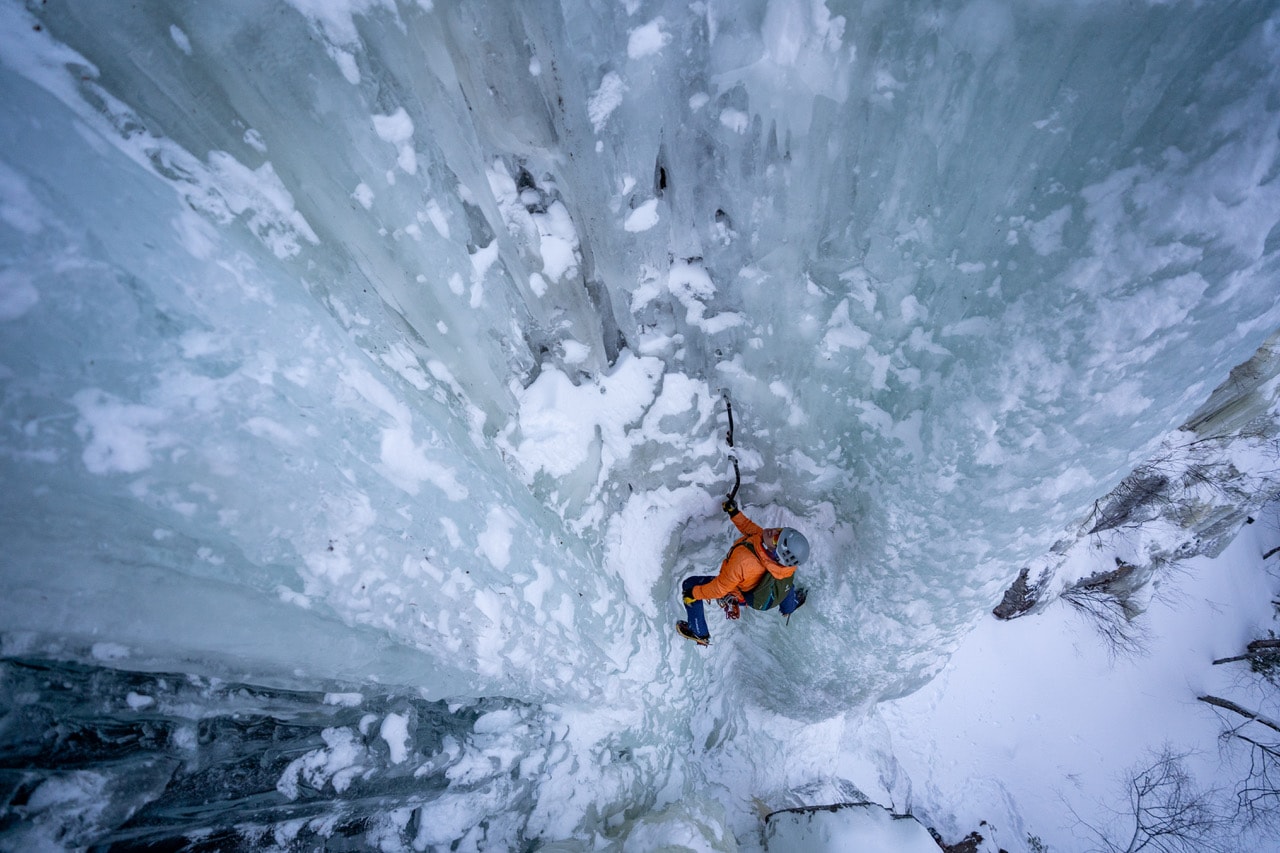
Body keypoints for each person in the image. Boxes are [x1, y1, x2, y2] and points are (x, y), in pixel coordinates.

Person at [676, 498, 809, 646]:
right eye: (780, 531)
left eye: (778, 538)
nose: (774, 532)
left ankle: (698, 632)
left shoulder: (743, 561)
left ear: (777, 554)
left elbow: (720, 588)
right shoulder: (781, 560)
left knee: (689, 585)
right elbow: (750, 530)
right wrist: (734, 513)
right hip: (768, 585)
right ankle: (790, 606)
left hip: (739, 591)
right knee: (784, 583)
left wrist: (693, 594)